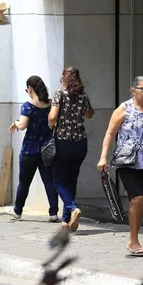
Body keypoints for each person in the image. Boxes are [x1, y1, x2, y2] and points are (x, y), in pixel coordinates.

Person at [97, 76, 143, 256]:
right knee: (137, 198)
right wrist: (103, 157)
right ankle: (133, 241)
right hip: (128, 162)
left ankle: (135, 236)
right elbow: (110, 134)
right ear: (133, 90)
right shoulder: (123, 109)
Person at [48, 66, 94, 232]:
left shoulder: (60, 94)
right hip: (80, 143)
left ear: (63, 79)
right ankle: (66, 221)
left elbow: (52, 116)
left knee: (58, 180)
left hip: (63, 142)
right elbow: (90, 114)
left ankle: (73, 207)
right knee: (71, 179)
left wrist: (51, 124)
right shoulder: (83, 96)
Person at [8, 76, 60, 222]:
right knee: (49, 181)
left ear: (30, 88)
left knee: (24, 182)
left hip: (29, 151)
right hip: (47, 150)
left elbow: (23, 125)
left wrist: (15, 123)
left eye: (27, 90)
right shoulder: (51, 104)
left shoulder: (27, 106)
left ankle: (18, 211)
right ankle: (53, 213)